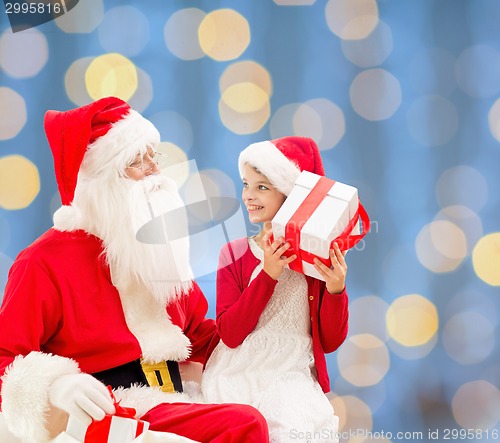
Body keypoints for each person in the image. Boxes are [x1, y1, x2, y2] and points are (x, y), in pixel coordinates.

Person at [0, 97, 269, 443]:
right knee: (243, 424)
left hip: (177, 396)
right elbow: (5, 357)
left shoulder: (157, 246)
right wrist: (57, 384)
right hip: (116, 408)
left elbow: (199, 334)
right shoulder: (43, 262)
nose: (154, 172)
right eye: (135, 162)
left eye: (152, 157)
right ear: (100, 179)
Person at [201, 137, 349, 443]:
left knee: (293, 426)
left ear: (291, 196)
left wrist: (336, 291)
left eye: (262, 187)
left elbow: (331, 340)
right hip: (239, 372)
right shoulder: (235, 253)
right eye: (246, 185)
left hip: (292, 374)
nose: (248, 196)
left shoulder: (317, 261)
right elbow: (230, 333)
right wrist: (268, 274)